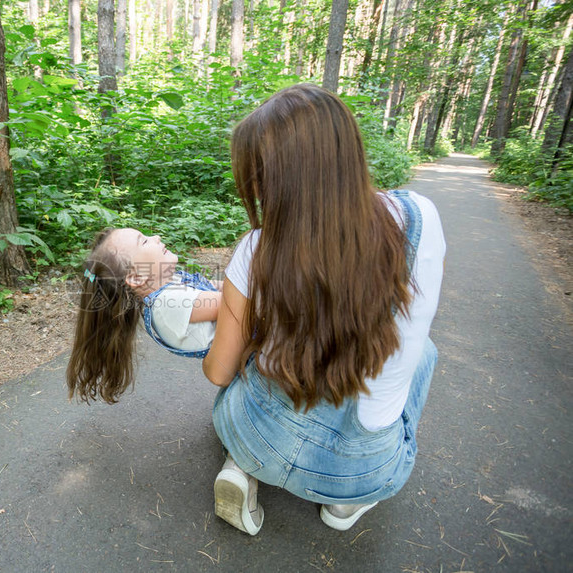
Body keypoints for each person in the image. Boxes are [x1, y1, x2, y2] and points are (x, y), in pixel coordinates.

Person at [202, 84, 446, 535]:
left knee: (251, 372)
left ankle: (241, 464)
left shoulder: (256, 249)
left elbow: (219, 372)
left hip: (259, 439)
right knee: (425, 350)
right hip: (361, 472)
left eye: (257, 173)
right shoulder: (419, 219)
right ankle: (342, 509)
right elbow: (410, 314)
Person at [67, 227, 222, 404]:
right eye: (144, 241)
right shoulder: (168, 303)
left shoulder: (173, 282)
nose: (156, 236)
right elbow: (237, 302)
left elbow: (229, 288)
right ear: (136, 278)